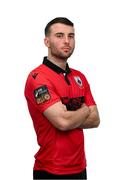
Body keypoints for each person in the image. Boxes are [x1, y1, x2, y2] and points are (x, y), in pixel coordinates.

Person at [24, 17, 100, 180]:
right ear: (47, 42)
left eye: (71, 36)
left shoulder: (80, 77)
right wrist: (85, 109)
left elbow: (95, 120)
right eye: (59, 35)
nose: (66, 41)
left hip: (80, 168)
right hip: (51, 170)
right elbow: (63, 122)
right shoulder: (38, 78)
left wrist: (70, 115)